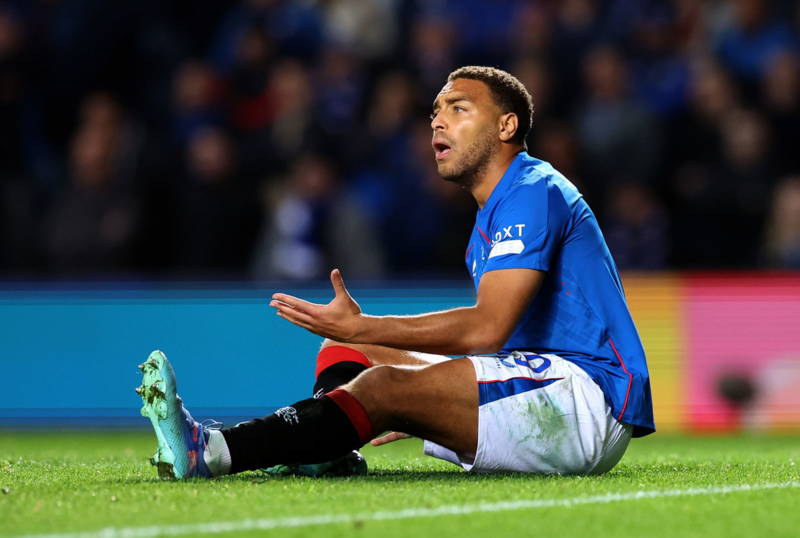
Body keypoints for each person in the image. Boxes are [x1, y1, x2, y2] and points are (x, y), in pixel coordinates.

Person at [137, 66, 654, 480]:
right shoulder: (491, 220)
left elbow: (487, 328)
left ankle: (213, 450)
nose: (438, 122)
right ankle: (325, 447)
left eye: (458, 108)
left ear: (506, 126)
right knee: (347, 350)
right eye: (435, 113)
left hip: (587, 399)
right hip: (539, 379)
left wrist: (371, 331)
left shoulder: (532, 190)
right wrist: (396, 366)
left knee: (381, 382)